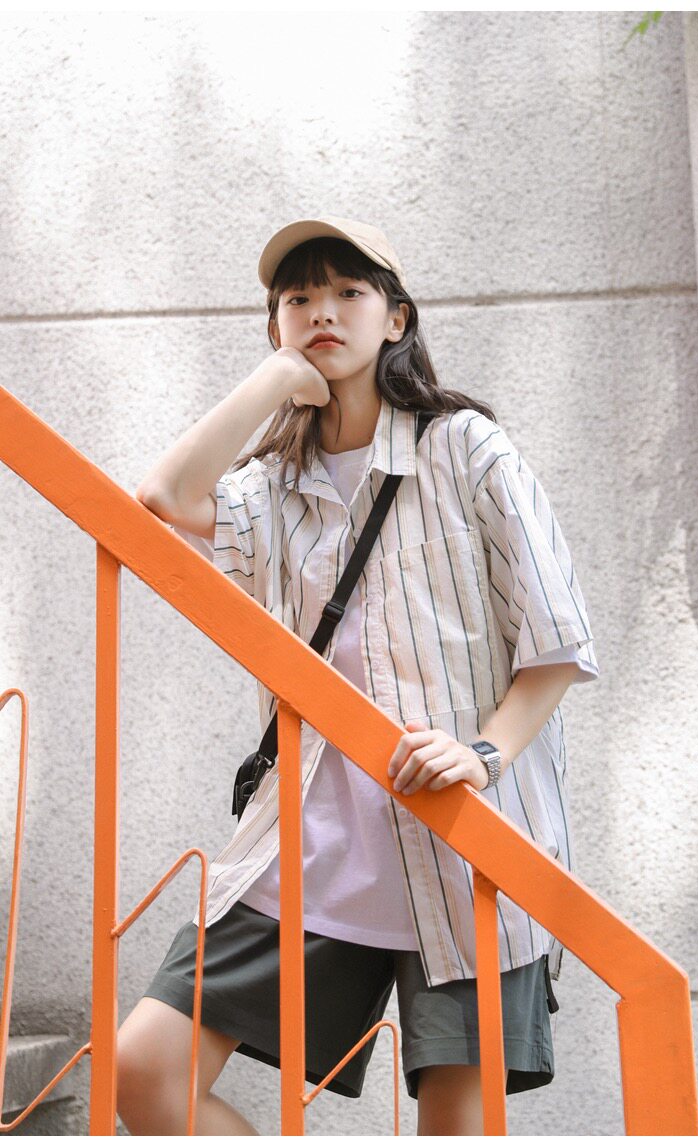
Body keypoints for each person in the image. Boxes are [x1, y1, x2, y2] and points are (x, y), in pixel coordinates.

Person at [117, 216, 599, 1135]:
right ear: (275, 324)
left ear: (396, 318)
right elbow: (164, 496)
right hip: (312, 842)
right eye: (298, 299)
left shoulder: (465, 449)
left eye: (348, 292)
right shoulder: (273, 486)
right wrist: (275, 381)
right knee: (145, 1070)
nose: (322, 313)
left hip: (465, 840)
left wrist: (483, 753)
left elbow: (555, 642)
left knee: (458, 1125)